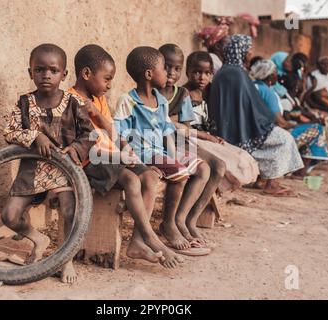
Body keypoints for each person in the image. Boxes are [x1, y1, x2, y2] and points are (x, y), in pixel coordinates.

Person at [67, 44, 184, 270]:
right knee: (131, 180)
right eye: (107, 79)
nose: (110, 86)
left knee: (150, 177)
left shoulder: (96, 98)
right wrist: (120, 153)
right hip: (91, 160)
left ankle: (137, 242)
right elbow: (82, 145)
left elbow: (108, 127)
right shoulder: (71, 101)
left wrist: (124, 149)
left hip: (111, 157)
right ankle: (151, 237)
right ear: (86, 74)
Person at [3, 44, 96, 283]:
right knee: (9, 216)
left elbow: (91, 135)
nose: (46, 75)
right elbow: (10, 131)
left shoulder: (73, 103)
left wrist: (75, 148)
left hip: (63, 170)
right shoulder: (24, 103)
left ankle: (65, 260)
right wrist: (35, 136)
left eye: (53, 70)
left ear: (64, 75)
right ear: (30, 72)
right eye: (39, 69)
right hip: (31, 171)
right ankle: (38, 239)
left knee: (69, 210)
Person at [114, 46, 211, 255]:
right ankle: (168, 225)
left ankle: (179, 220)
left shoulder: (161, 100)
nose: (168, 74)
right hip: (142, 154)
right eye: (163, 69)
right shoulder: (128, 101)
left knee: (201, 167)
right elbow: (118, 133)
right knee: (180, 174)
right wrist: (128, 153)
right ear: (149, 74)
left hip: (160, 152)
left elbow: (167, 131)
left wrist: (174, 157)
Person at [208, 35, 304, 196]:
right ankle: (271, 184)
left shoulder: (229, 71)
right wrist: (266, 120)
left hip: (236, 126)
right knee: (284, 139)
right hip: (241, 129)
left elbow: (245, 105)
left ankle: (262, 180)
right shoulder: (235, 73)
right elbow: (249, 106)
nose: (251, 53)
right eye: (249, 49)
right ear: (242, 50)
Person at [159, 45, 258, 192]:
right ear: (188, 72)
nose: (202, 77)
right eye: (197, 72)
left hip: (192, 136)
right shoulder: (186, 94)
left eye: (207, 73)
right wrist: (205, 136)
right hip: (188, 139)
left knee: (241, 156)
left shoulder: (203, 93)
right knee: (226, 160)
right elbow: (179, 127)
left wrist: (210, 136)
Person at [251, 59, 328, 177]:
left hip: (252, 132)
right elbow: (281, 123)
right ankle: (300, 170)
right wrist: (297, 125)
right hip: (265, 134)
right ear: (271, 76)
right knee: (317, 129)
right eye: (276, 73)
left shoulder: (252, 86)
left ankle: (297, 168)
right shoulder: (268, 93)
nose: (278, 75)